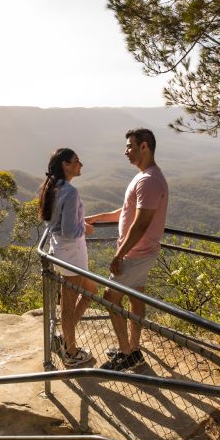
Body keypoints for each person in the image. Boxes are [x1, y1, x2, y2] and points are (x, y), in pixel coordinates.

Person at [85, 128, 168, 371]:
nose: (126, 151)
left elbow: (141, 223)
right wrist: (97, 217)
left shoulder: (149, 180)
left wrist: (119, 254)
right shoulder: (145, 176)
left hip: (135, 254)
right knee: (135, 296)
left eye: (130, 146)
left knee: (110, 299)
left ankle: (126, 352)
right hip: (143, 253)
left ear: (144, 147)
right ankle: (133, 347)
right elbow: (127, 211)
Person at [39, 148, 96, 368]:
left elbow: (51, 224)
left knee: (91, 290)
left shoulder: (52, 187)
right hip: (72, 253)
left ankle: (66, 336)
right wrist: (85, 228)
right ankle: (71, 353)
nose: (80, 165)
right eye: (76, 161)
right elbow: (71, 230)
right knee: (69, 305)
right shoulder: (70, 192)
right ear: (65, 165)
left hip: (61, 251)